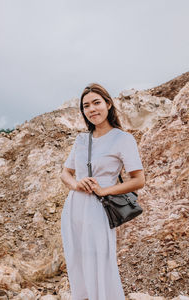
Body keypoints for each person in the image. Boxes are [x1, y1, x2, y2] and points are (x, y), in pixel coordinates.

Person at [60, 83, 145, 300]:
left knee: (100, 261)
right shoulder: (81, 140)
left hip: (99, 208)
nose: (92, 109)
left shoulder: (123, 139)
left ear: (108, 104)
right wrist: (75, 184)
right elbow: (65, 173)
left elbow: (138, 180)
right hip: (74, 208)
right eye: (86, 106)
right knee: (77, 261)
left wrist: (105, 189)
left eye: (96, 103)